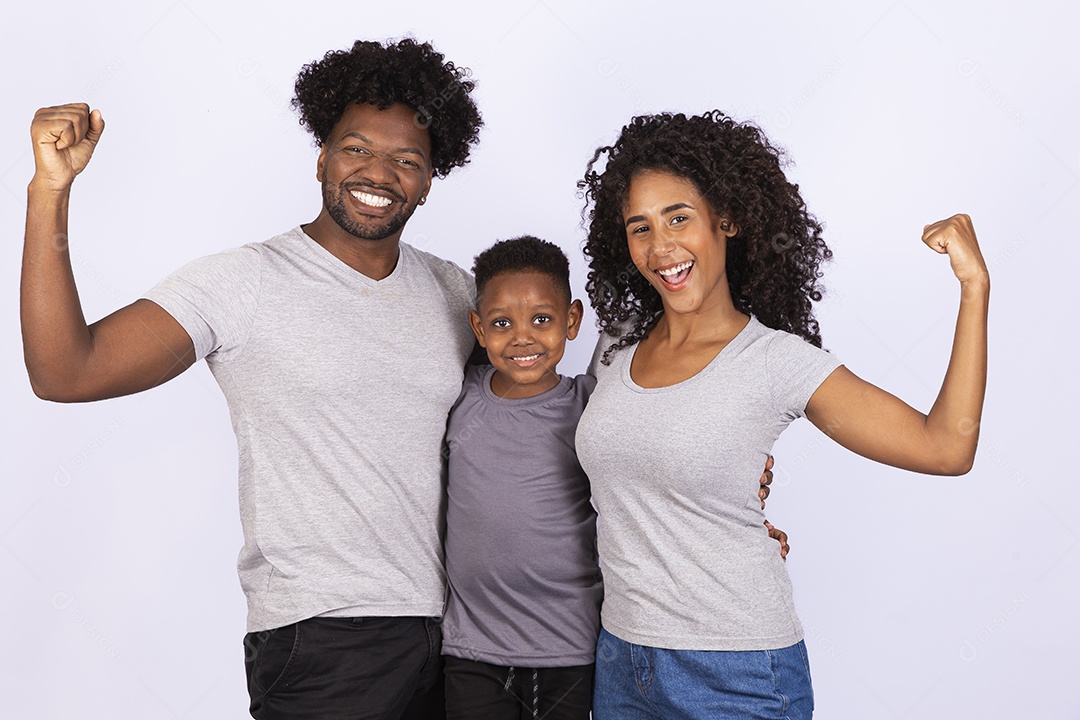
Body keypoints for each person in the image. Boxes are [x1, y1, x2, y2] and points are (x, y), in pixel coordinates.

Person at [20, 38, 483, 719]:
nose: (378, 172)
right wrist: (49, 191)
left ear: (429, 180)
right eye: (356, 149)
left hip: (453, 636)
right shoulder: (244, 282)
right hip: (322, 637)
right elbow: (66, 370)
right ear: (322, 158)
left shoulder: (454, 291)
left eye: (406, 159)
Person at [574, 111, 989, 719]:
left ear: (729, 220)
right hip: (621, 659)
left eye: (679, 218)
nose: (660, 247)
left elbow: (945, 448)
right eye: (640, 227)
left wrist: (974, 288)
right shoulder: (618, 347)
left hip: (736, 668)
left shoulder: (774, 361)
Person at [440, 236, 599, 720]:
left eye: (542, 320)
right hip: (473, 651)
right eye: (502, 323)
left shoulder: (591, 406)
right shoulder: (457, 398)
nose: (522, 337)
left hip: (572, 649)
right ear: (479, 328)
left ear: (572, 321)